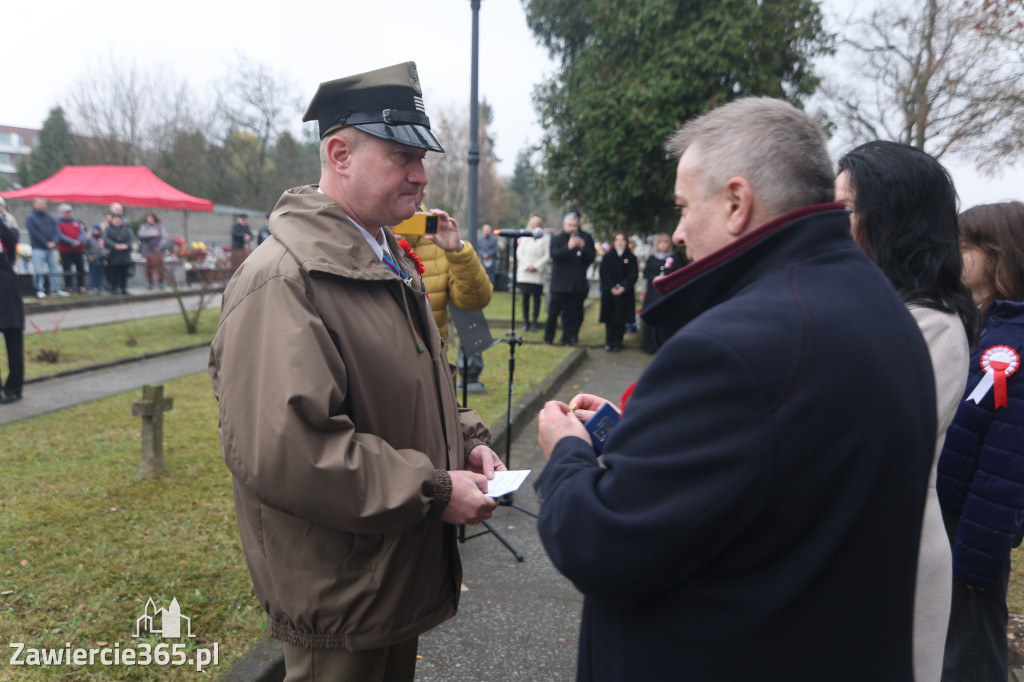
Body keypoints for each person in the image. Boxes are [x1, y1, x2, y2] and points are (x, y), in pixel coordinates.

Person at [533, 97, 937, 681]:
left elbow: (601, 545)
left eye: (683, 206)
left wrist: (568, 451)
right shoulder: (872, 302)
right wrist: (638, 443)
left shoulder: (734, 345)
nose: (677, 230)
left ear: (735, 202)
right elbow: (772, 467)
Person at [209, 61, 503, 682]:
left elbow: (420, 385)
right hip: (341, 588)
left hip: (386, 573)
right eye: (403, 157)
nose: (422, 177)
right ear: (339, 153)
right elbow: (293, 450)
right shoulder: (284, 278)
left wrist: (470, 443)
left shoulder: (383, 255)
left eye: (422, 159)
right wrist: (434, 489)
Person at [835, 140, 978, 682]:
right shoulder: (866, 306)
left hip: (889, 553)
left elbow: (857, 438)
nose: (832, 222)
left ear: (895, 218)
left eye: (846, 209)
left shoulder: (931, 325)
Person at [936, 201, 1024, 682]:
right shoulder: (985, 326)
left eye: (967, 246)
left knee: (970, 658)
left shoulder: (1013, 343)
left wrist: (977, 556)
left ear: (1001, 255)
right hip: (952, 521)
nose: (956, 254)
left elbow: (1006, 459)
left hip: (972, 531)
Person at [543, 212, 595, 346]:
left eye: (575, 225)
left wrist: (583, 248)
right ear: (564, 225)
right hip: (559, 284)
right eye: (570, 225)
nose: (573, 228)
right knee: (553, 313)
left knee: (571, 314)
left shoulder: (585, 238)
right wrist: (568, 247)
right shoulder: (557, 239)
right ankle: (548, 338)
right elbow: (554, 255)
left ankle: (567, 338)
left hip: (576, 284)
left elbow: (591, 258)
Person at [639, 233, 684, 354]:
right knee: (651, 317)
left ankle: (664, 346)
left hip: (667, 293)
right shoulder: (652, 258)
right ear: (657, 244)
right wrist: (654, 278)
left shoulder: (674, 258)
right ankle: (649, 345)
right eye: (660, 242)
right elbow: (646, 273)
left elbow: (679, 273)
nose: (663, 245)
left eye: (665, 242)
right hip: (653, 293)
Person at [597, 230, 637, 352]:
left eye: (622, 240)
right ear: (614, 242)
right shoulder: (608, 256)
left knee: (621, 319)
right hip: (610, 293)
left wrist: (623, 287)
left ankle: (618, 342)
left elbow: (633, 274)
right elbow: (604, 273)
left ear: (626, 242)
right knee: (610, 319)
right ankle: (609, 342)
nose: (620, 242)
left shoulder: (631, 257)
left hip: (625, 293)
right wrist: (611, 287)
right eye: (617, 240)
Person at [0, 209, 24, 404]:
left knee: (14, 344)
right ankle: (11, 390)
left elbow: (11, 241)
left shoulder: (8, 231)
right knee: (14, 343)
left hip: (7, 293)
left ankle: (13, 389)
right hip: (8, 289)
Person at [25, 197, 70, 298]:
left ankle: (56, 289)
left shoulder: (49, 218)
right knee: (38, 270)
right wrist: (46, 242)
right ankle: (39, 290)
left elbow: (57, 230)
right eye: (40, 204)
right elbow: (34, 233)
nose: (42, 206)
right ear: (34, 204)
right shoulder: (30, 218)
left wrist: (54, 242)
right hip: (38, 248)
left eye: (44, 204)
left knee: (54, 269)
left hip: (52, 248)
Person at [516, 215, 550, 332]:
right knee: (525, 298)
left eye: (538, 224)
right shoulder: (525, 237)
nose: (535, 226)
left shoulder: (545, 238)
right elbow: (520, 253)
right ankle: (526, 322)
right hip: (525, 273)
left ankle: (534, 321)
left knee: (536, 298)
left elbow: (546, 255)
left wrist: (535, 266)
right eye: (533, 224)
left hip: (537, 273)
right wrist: (528, 266)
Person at [55, 203, 87, 293]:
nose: (68, 213)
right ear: (61, 212)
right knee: (67, 269)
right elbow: (60, 235)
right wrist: (71, 242)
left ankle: (81, 285)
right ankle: (68, 286)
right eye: (66, 212)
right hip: (65, 250)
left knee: (80, 268)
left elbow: (82, 233)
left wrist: (78, 242)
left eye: (69, 212)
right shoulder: (58, 223)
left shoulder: (77, 222)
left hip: (78, 249)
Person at [103, 212, 135, 295]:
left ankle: (123, 288)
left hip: (124, 254)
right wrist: (114, 245)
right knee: (113, 272)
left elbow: (131, 238)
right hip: (113, 254)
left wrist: (126, 245)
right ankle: (114, 288)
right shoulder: (108, 229)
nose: (117, 221)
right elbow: (105, 239)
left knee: (124, 273)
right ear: (112, 220)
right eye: (115, 220)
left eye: (119, 219)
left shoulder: (126, 228)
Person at [137, 212, 170, 290]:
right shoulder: (144, 226)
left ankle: (161, 282)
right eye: (148, 218)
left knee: (160, 268)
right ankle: (150, 282)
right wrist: (151, 234)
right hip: (147, 251)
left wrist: (159, 247)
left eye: (151, 218)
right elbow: (141, 235)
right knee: (149, 268)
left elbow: (165, 237)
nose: (150, 220)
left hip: (158, 251)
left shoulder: (160, 226)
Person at [83, 224, 107, 294]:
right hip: (93, 258)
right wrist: (88, 256)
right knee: (93, 273)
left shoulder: (102, 238)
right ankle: (93, 286)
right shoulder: (89, 239)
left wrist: (105, 258)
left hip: (101, 258)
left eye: (97, 230)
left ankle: (99, 286)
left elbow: (104, 249)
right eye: (94, 230)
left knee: (100, 274)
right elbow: (85, 248)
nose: (95, 232)